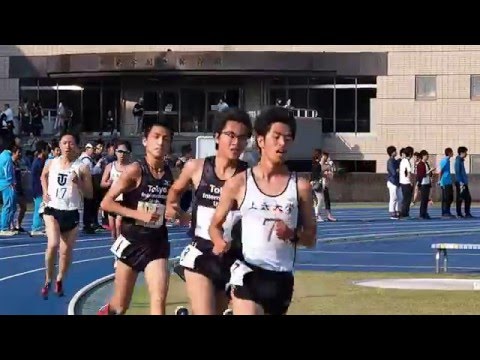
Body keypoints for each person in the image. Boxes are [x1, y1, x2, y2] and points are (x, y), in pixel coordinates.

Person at [208, 106, 316, 315]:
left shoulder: (300, 186)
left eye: (288, 138)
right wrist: (220, 242)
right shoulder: (238, 183)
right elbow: (215, 226)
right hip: (248, 272)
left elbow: (311, 238)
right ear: (260, 140)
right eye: (276, 137)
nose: (282, 143)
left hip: (281, 278)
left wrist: (292, 234)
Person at [166, 109, 253, 315]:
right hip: (201, 253)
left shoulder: (249, 175)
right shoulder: (196, 167)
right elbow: (175, 192)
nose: (236, 142)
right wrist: (176, 211)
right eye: (230, 135)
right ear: (216, 136)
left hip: (233, 257)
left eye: (242, 138)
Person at [97, 117, 174, 315]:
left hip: (157, 244)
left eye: (165, 139)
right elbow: (106, 203)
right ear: (145, 140)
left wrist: (181, 214)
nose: (160, 142)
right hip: (132, 242)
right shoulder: (135, 170)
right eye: (156, 137)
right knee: (120, 306)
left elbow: (169, 205)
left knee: (159, 298)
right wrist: (138, 214)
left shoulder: (169, 173)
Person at [40, 131, 93, 299]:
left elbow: (90, 194)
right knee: (53, 244)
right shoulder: (51, 162)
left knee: (65, 251)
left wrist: (79, 183)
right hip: (52, 209)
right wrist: (44, 192)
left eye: (71, 143)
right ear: (59, 146)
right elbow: (43, 176)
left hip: (72, 212)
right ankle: (48, 279)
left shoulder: (82, 167)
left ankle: (60, 278)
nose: (67, 146)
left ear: (77, 147)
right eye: (64, 143)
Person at [100, 140, 132, 247]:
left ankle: (120, 250)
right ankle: (116, 249)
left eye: (125, 152)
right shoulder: (110, 166)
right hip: (112, 200)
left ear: (129, 153)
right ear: (115, 152)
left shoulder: (131, 168)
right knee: (113, 229)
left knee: (119, 225)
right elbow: (102, 183)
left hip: (125, 201)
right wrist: (109, 182)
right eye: (119, 151)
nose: (122, 155)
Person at [31, 140, 49, 236]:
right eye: (47, 149)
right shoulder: (38, 163)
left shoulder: (39, 161)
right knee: (39, 209)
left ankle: (39, 227)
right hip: (39, 189)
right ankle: (36, 228)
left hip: (39, 189)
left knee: (42, 209)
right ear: (43, 150)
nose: (48, 152)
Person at [454, 146, 473, 218]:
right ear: (461, 152)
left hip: (464, 182)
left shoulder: (461, 160)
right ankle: (459, 213)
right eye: (465, 152)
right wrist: (461, 183)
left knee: (467, 198)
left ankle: (466, 213)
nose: (466, 154)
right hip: (460, 183)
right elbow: (457, 172)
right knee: (460, 198)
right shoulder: (458, 161)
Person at [386, 146, 402, 220]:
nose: (396, 152)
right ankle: (392, 213)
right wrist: (398, 170)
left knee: (399, 197)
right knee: (393, 198)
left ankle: (397, 211)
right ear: (392, 153)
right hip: (392, 182)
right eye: (395, 151)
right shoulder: (390, 161)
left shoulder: (394, 160)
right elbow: (393, 172)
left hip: (397, 182)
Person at [439, 147, 454, 218]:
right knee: (446, 198)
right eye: (452, 152)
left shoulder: (448, 161)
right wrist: (439, 181)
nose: (453, 153)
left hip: (449, 181)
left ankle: (447, 211)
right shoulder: (444, 161)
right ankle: (445, 212)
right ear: (449, 153)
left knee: (450, 197)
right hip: (444, 182)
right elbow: (441, 171)